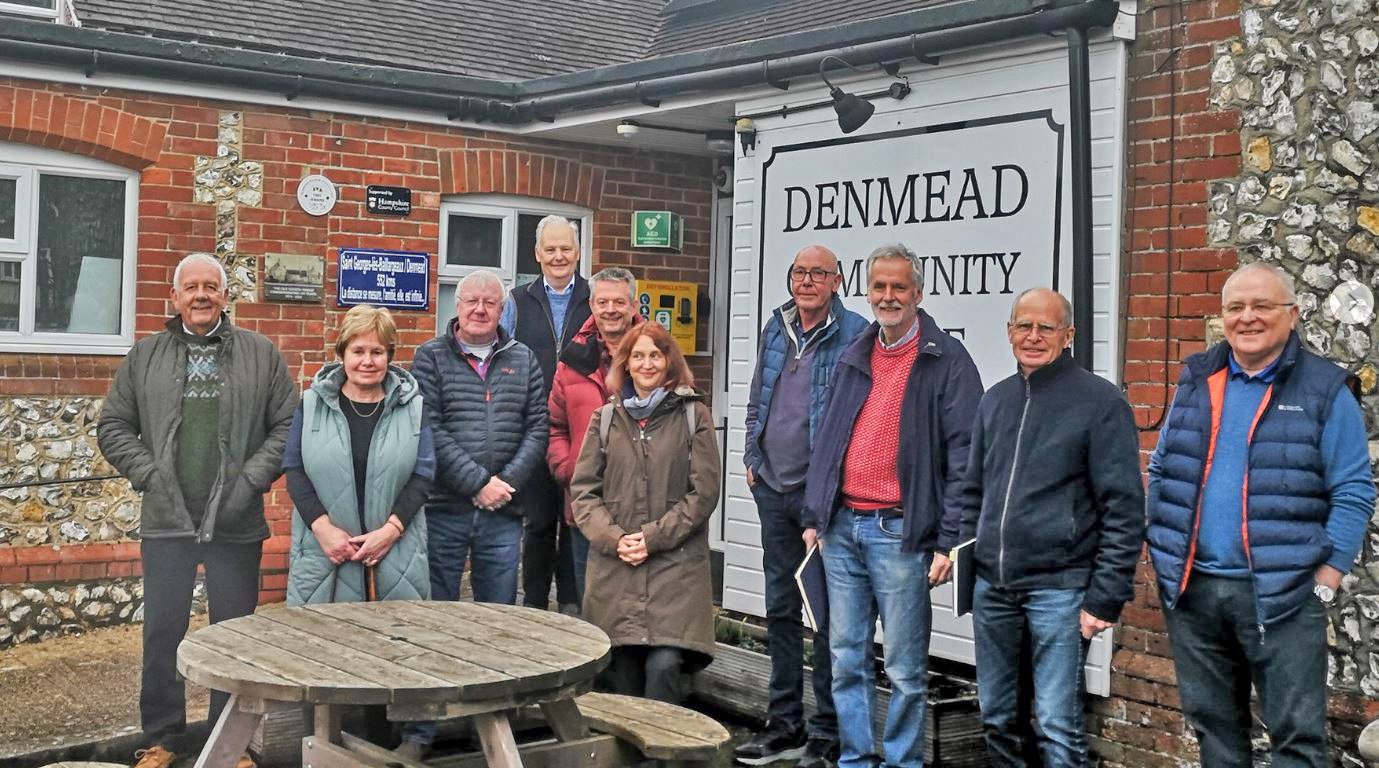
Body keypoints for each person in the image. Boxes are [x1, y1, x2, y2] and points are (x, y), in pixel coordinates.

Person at [1147, 263, 1374, 766]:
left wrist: (1327, 578)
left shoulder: (1325, 389)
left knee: (1297, 740)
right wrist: (1162, 551)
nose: (1247, 318)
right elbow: (1163, 468)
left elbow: (1354, 490)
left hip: (1285, 594)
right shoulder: (1198, 377)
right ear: (1223, 317)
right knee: (1215, 734)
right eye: (1235, 307)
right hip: (1195, 590)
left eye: (1262, 306)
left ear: (1291, 315)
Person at [97, 253, 295, 768]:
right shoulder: (145, 356)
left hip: (235, 520)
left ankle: (229, 747)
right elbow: (114, 426)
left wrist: (251, 482)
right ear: (175, 298)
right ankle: (160, 739)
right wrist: (151, 474)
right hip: (168, 519)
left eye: (212, 286)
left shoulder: (261, 353)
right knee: (163, 631)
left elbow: (286, 427)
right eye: (192, 288)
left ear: (226, 296)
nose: (202, 295)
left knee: (233, 636)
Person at [802, 243, 981, 768]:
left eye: (898, 287)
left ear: (918, 293)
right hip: (841, 529)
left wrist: (950, 539)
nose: (888, 296)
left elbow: (966, 456)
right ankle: (856, 758)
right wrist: (816, 515)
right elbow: (829, 435)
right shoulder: (855, 352)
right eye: (879, 286)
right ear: (867, 291)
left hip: (901, 533)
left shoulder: (945, 359)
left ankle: (902, 761)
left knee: (904, 667)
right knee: (846, 657)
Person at [957, 288, 1145, 766]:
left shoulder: (1100, 402)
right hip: (993, 589)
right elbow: (971, 490)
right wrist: (960, 555)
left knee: (1058, 727)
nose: (1033, 337)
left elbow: (1123, 508)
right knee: (998, 718)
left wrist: (1106, 596)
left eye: (1046, 327)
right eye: (1024, 326)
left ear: (1068, 335)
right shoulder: (995, 401)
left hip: (1059, 590)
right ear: (1009, 331)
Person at [735, 245, 868, 768]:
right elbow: (757, 398)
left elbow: (856, 418)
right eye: (799, 272)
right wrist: (751, 453)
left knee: (827, 617)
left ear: (837, 280)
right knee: (781, 612)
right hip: (772, 488)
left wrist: (826, 495)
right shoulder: (777, 326)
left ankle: (826, 733)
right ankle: (783, 725)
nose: (806, 281)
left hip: (821, 501)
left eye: (818, 273)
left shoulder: (855, 332)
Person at [569, 321, 721, 704]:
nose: (647, 364)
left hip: (676, 573)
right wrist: (615, 538)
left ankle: (661, 759)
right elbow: (584, 492)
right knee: (623, 671)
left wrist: (652, 538)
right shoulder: (604, 420)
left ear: (669, 361)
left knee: (664, 666)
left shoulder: (694, 415)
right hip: (615, 573)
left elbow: (702, 493)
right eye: (638, 356)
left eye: (656, 354)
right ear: (626, 363)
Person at [411, 268, 548, 606]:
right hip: (444, 507)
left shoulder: (523, 358)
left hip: (504, 509)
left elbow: (537, 427)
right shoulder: (430, 356)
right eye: (472, 301)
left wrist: (504, 483)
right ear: (457, 305)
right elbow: (428, 426)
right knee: (437, 611)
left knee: (498, 613)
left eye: (490, 302)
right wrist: (477, 484)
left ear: (502, 310)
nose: (480, 309)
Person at [283, 304, 435, 605]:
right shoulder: (311, 405)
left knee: (398, 645)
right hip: (323, 552)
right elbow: (294, 469)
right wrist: (322, 528)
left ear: (389, 356)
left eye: (377, 352)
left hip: (397, 552)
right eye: (358, 351)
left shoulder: (414, 408)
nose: (367, 361)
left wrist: (391, 531)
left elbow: (424, 474)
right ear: (342, 354)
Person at [501, 215, 592, 614]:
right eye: (550, 249)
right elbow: (500, 361)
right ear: (536, 254)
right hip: (534, 430)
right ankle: (535, 606)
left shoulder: (595, 298)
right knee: (537, 523)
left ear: (578, 253)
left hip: (584, 435)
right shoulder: (516, 303)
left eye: (566, 249)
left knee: (577, 523)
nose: (559, 256)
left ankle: (573, 605)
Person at [547, 267, 642, 605]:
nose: (610, 309)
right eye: (602, 301)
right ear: (591, 304)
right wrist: (568, 469)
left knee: (635, 606)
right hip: (586, 503)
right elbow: (555, 426)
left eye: (619, 301)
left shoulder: (655, 354)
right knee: (593, 603)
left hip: (641, 506)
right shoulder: (572, 359)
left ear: (633, 305)